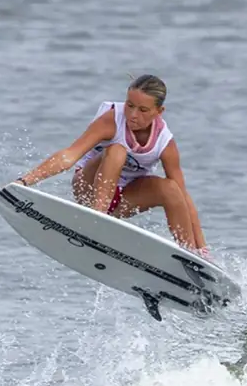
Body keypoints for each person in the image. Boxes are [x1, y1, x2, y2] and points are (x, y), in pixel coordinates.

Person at [12, 74, 210, 258]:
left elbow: (183, 198)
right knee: (117, 150)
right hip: (88, 189)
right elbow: (69, 155)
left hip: (123, 201)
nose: (133, 115)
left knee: (172, 189)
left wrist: (202, 248)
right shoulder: (111, 120)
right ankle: (97, 220)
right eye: (130, 105)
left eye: (143, 110)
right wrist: (25, 181)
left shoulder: (165, 143)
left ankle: (191, 256)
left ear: (159, 112)